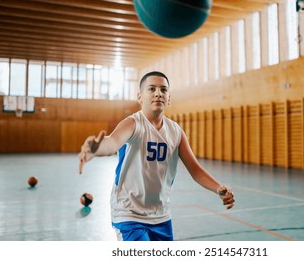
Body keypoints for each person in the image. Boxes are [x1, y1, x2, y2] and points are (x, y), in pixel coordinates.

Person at [78, 71, 235, 241]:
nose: (158, 93)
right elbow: (112, 143)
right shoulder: (133, 124)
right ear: (140, 96)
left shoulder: (176, 131)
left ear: (169, 98)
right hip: (129, 213)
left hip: (161, 215)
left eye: (163, 90)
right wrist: (95, 149)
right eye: (151, 89)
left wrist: (218, 188)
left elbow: (195, 170)